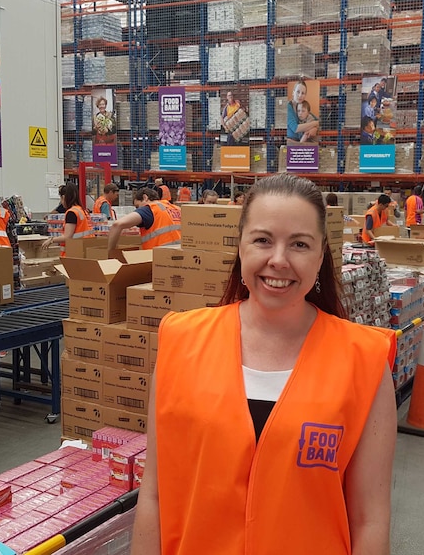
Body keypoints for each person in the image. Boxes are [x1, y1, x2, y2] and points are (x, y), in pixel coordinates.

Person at [131, 173, 396, 555]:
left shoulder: (364, 362)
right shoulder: (180, 342)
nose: (278, 260)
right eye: (262, 240)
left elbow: (369, 520)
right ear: (240, 246)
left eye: (299, 244)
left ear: (321, 255)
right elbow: (154, 495)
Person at [108, 188, 181, 251]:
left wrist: (110, 253)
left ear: (145, 197)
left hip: (159, 259)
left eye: (137, 206)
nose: (138, 209)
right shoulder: (176, 209)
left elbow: (117, 225)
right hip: (181, 257)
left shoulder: (150, 209)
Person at [41, 183, 94, 257]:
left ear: (63, 197)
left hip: (74, 253)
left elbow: (67, 237)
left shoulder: (71, 213)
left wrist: (51, 240)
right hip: (85, 250)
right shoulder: (81, 210)